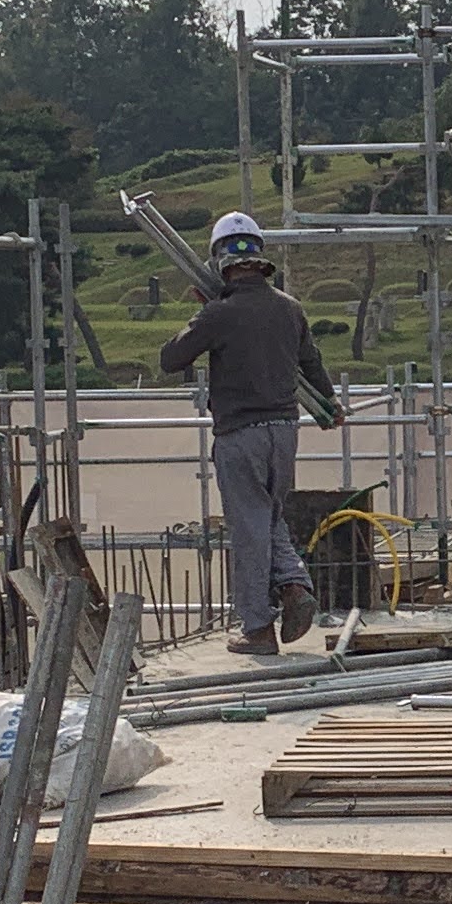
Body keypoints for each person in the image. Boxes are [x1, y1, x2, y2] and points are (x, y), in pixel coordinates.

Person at [155, 211, 339, 655]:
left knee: (249, 528)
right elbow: (311, 363)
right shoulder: (290, 308)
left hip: (241, 434)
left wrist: (203, 313)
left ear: (220, 260)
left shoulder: (219, 313)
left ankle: (257, 628)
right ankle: (294, 585)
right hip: (286, 430)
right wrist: (330, 405)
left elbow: (170, 359)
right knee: (268, 517)